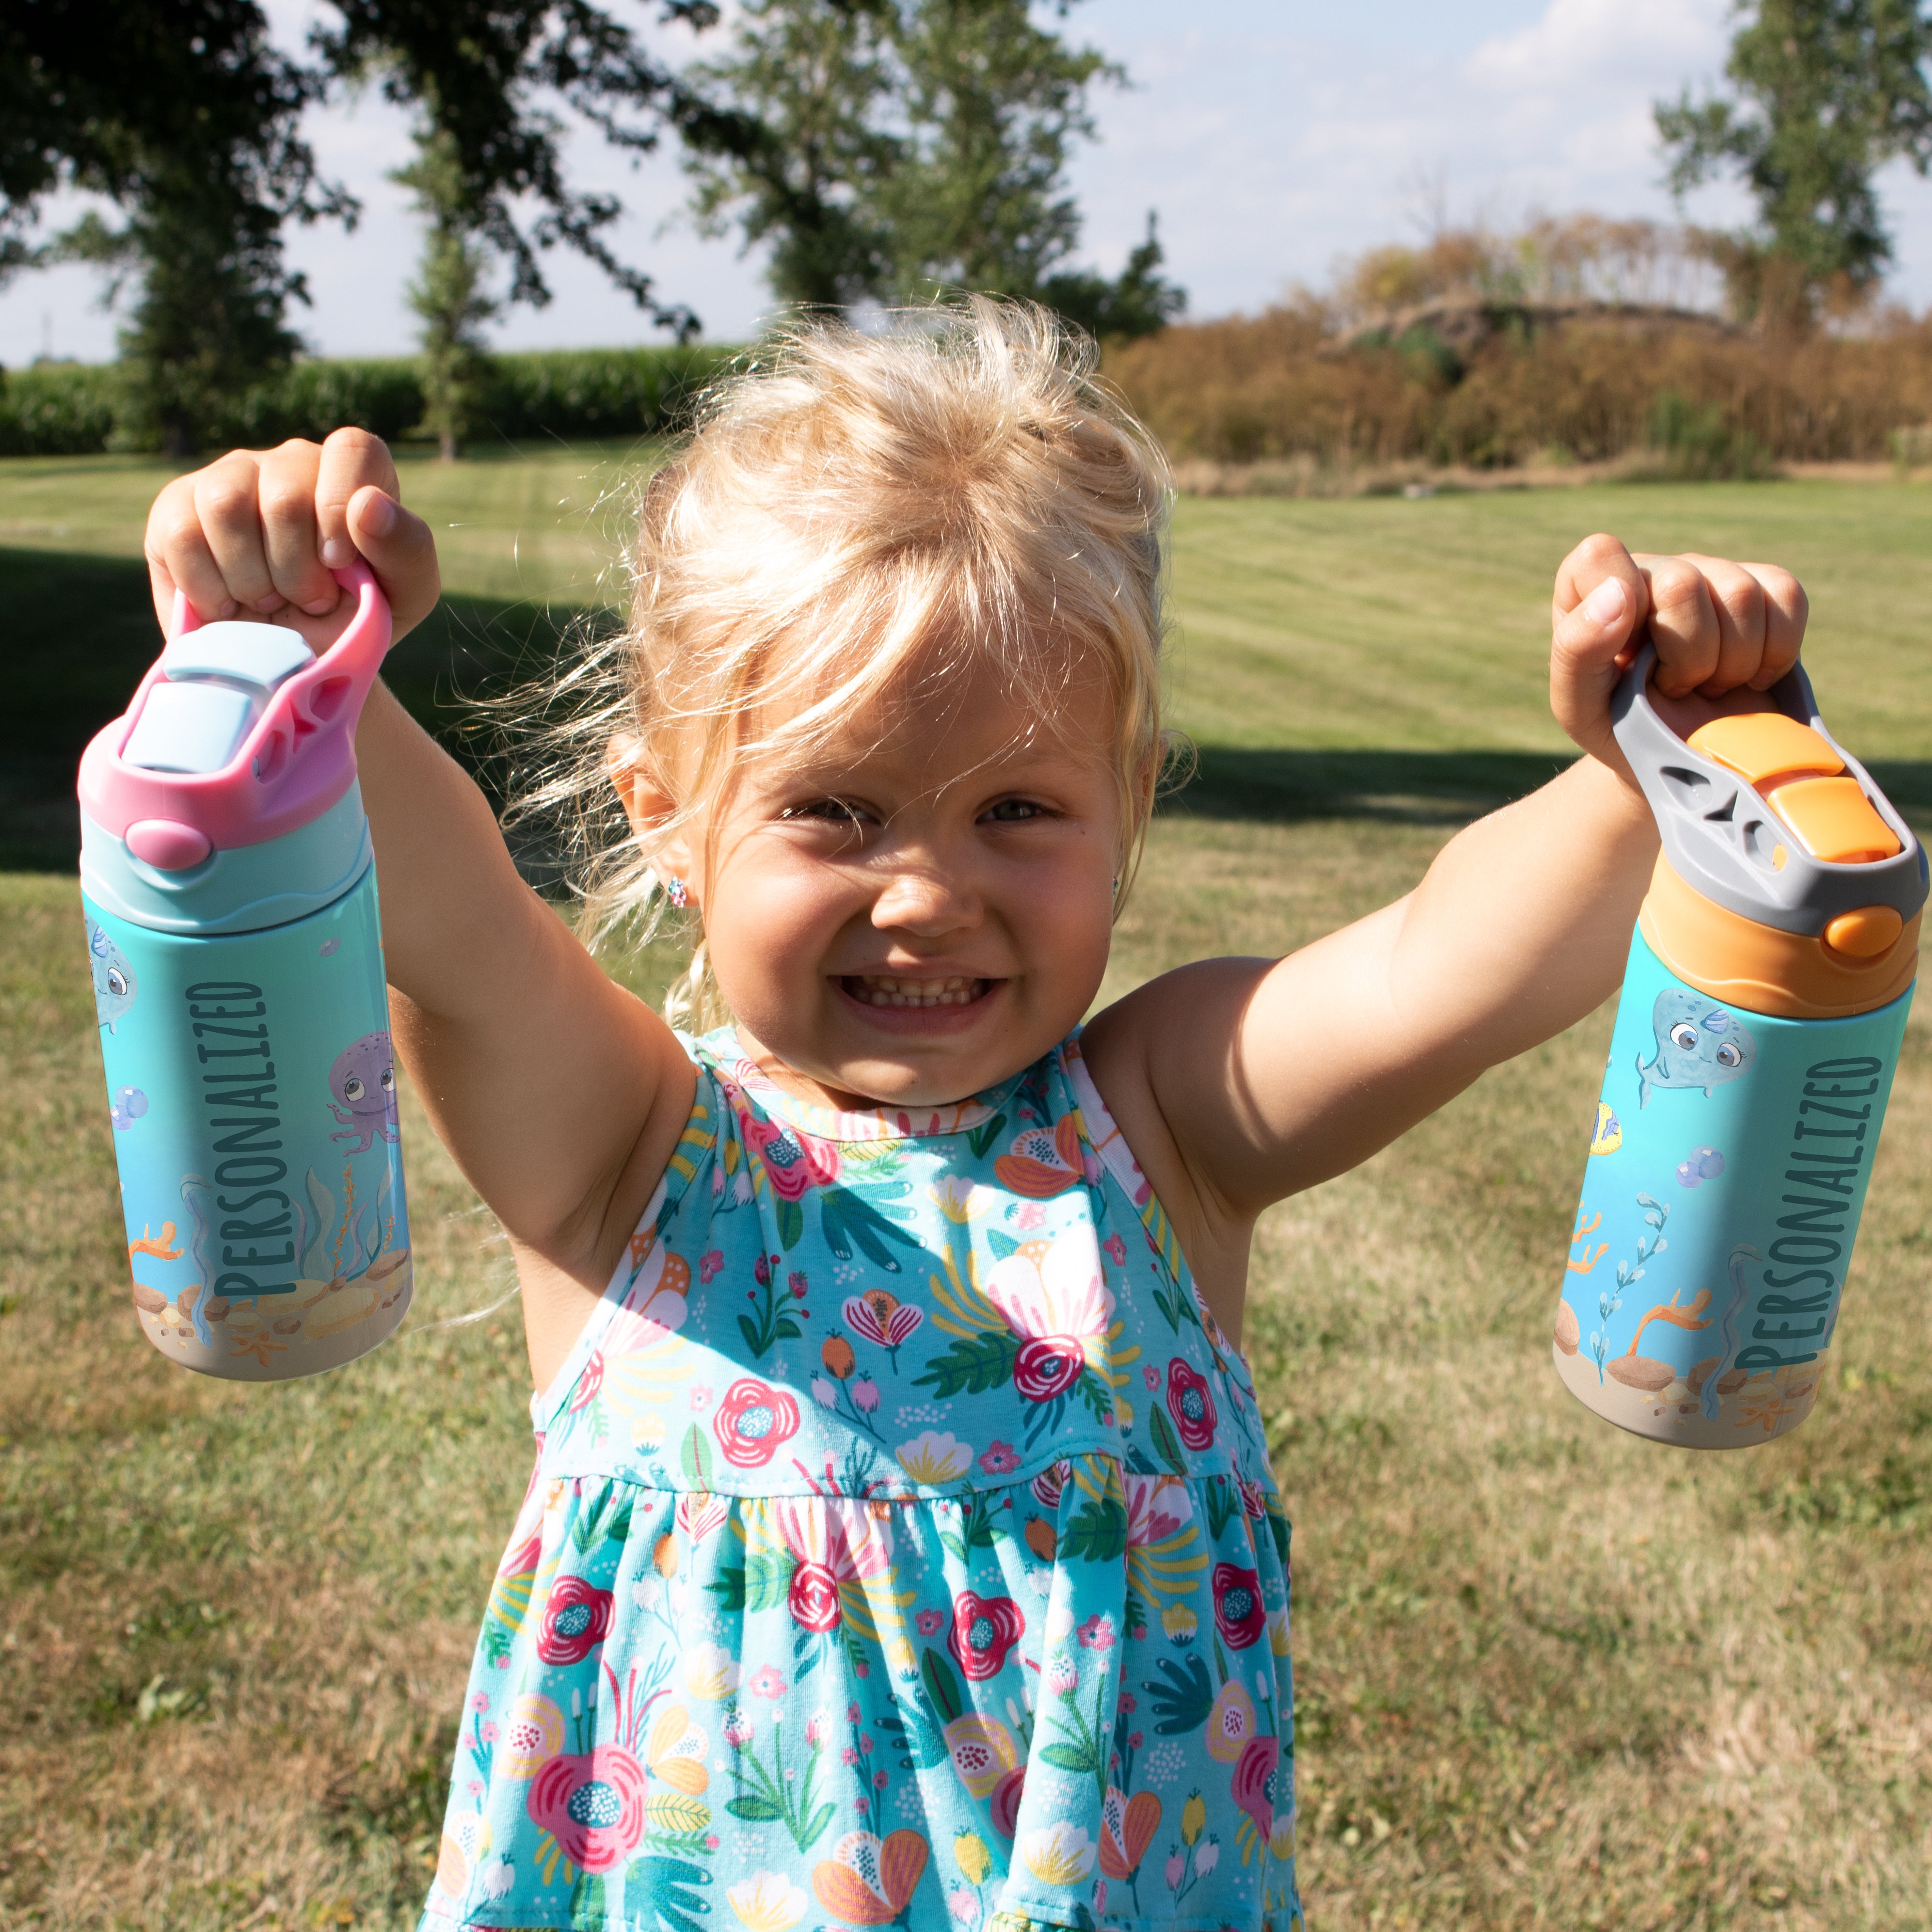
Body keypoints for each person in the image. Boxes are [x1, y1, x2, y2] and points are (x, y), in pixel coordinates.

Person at [140, 300, 1806, 1932]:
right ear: (668, 817)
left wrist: (1648, 763)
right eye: (834, 810)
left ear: (1130, 802)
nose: (927, 894)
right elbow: (461, 932)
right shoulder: (629, 1154)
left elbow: (1453, 965)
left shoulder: (1163, 1133)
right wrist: (298, 677)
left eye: (1019, 809)